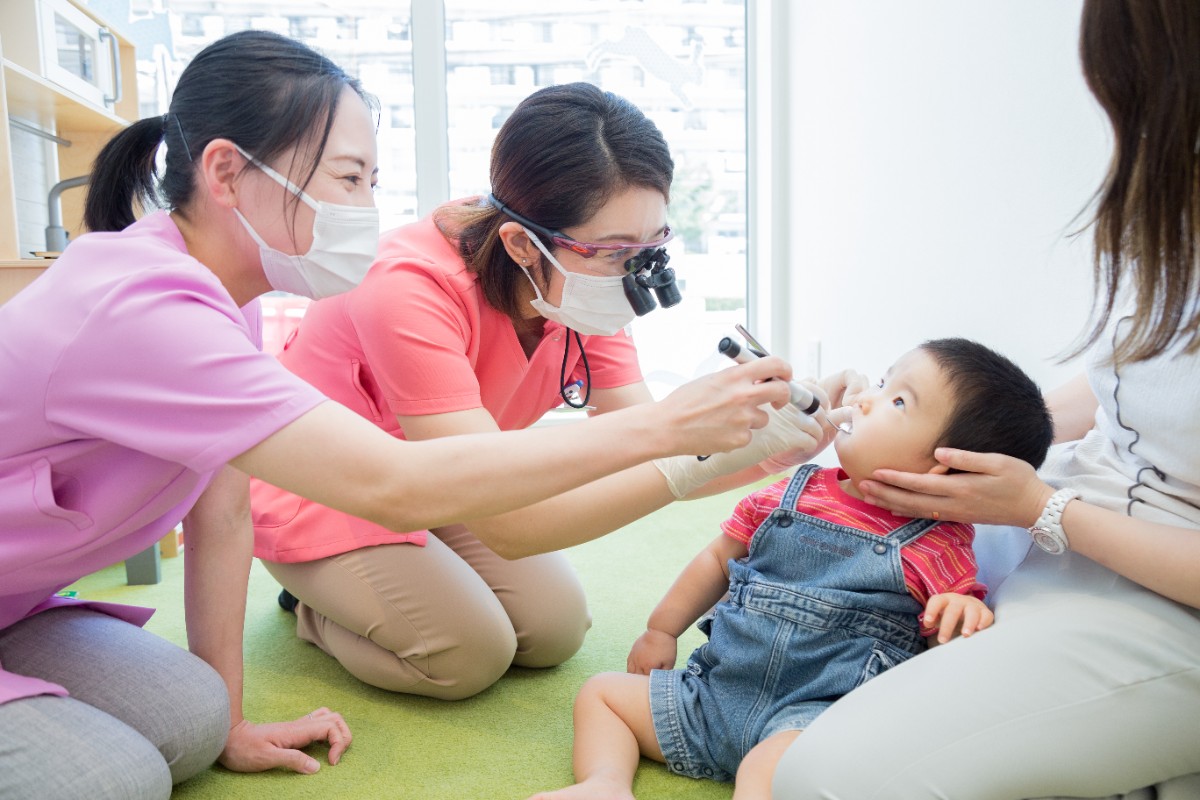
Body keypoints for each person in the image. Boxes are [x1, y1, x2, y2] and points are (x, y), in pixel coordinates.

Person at [0, 31, 820, 800]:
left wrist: (761, 443)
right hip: (364, 491)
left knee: (199, 723)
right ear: (226, 172)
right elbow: (401, 484)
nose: (368, 206)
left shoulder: (226, 301)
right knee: (128, 775)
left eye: (373, 181)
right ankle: (317, 603)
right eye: (348, 179)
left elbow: (220, 505)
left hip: (27, 596)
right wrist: (673, 433)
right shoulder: (151, 308)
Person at [248, 82, 857, 701]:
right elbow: (516, 527)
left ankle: (397, 580)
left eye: (651, 247)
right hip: (330, 490)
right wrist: (684, 441)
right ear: (521, 243)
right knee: (468, 656)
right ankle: (312, 606)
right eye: (615, 252)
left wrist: (776, 444)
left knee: (553, 630)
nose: (637, 274)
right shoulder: (406, 286)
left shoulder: (579, 288)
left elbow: (659, 453)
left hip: (451, 476)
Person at [770, 2, 1200, 798]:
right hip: (1074, 508)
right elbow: (1134, 381)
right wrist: (990, 438)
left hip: (1164, 583)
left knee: (820, 779)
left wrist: (1044, 509)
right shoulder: (1176, 210)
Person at [529, 338, 1054, 800]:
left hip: (810, 722)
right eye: (881, 382)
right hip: (713, 697)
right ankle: (603, 783)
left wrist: (959, 612)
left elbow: (944, 651)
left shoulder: (938, 543)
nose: (865, 399)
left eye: (897, 400)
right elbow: (717, 558)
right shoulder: (791, 491)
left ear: (944, 465)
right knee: (602, 693)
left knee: (768, 771)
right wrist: (661, 629)